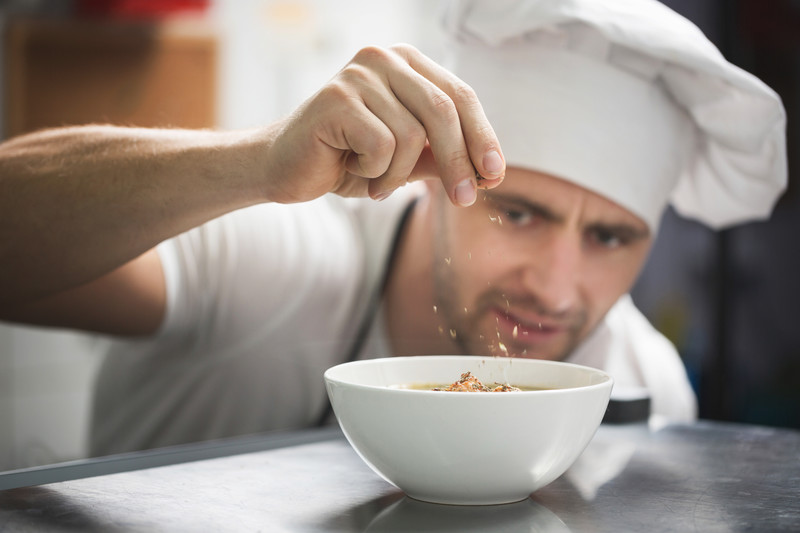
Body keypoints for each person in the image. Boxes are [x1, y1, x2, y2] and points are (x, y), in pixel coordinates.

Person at [0, 0, 786, 456]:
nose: (555, 285)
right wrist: (254, 163)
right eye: (516, 210)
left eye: (610, 237)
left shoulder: (643, 381)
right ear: (439, 178)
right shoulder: (286, 254)